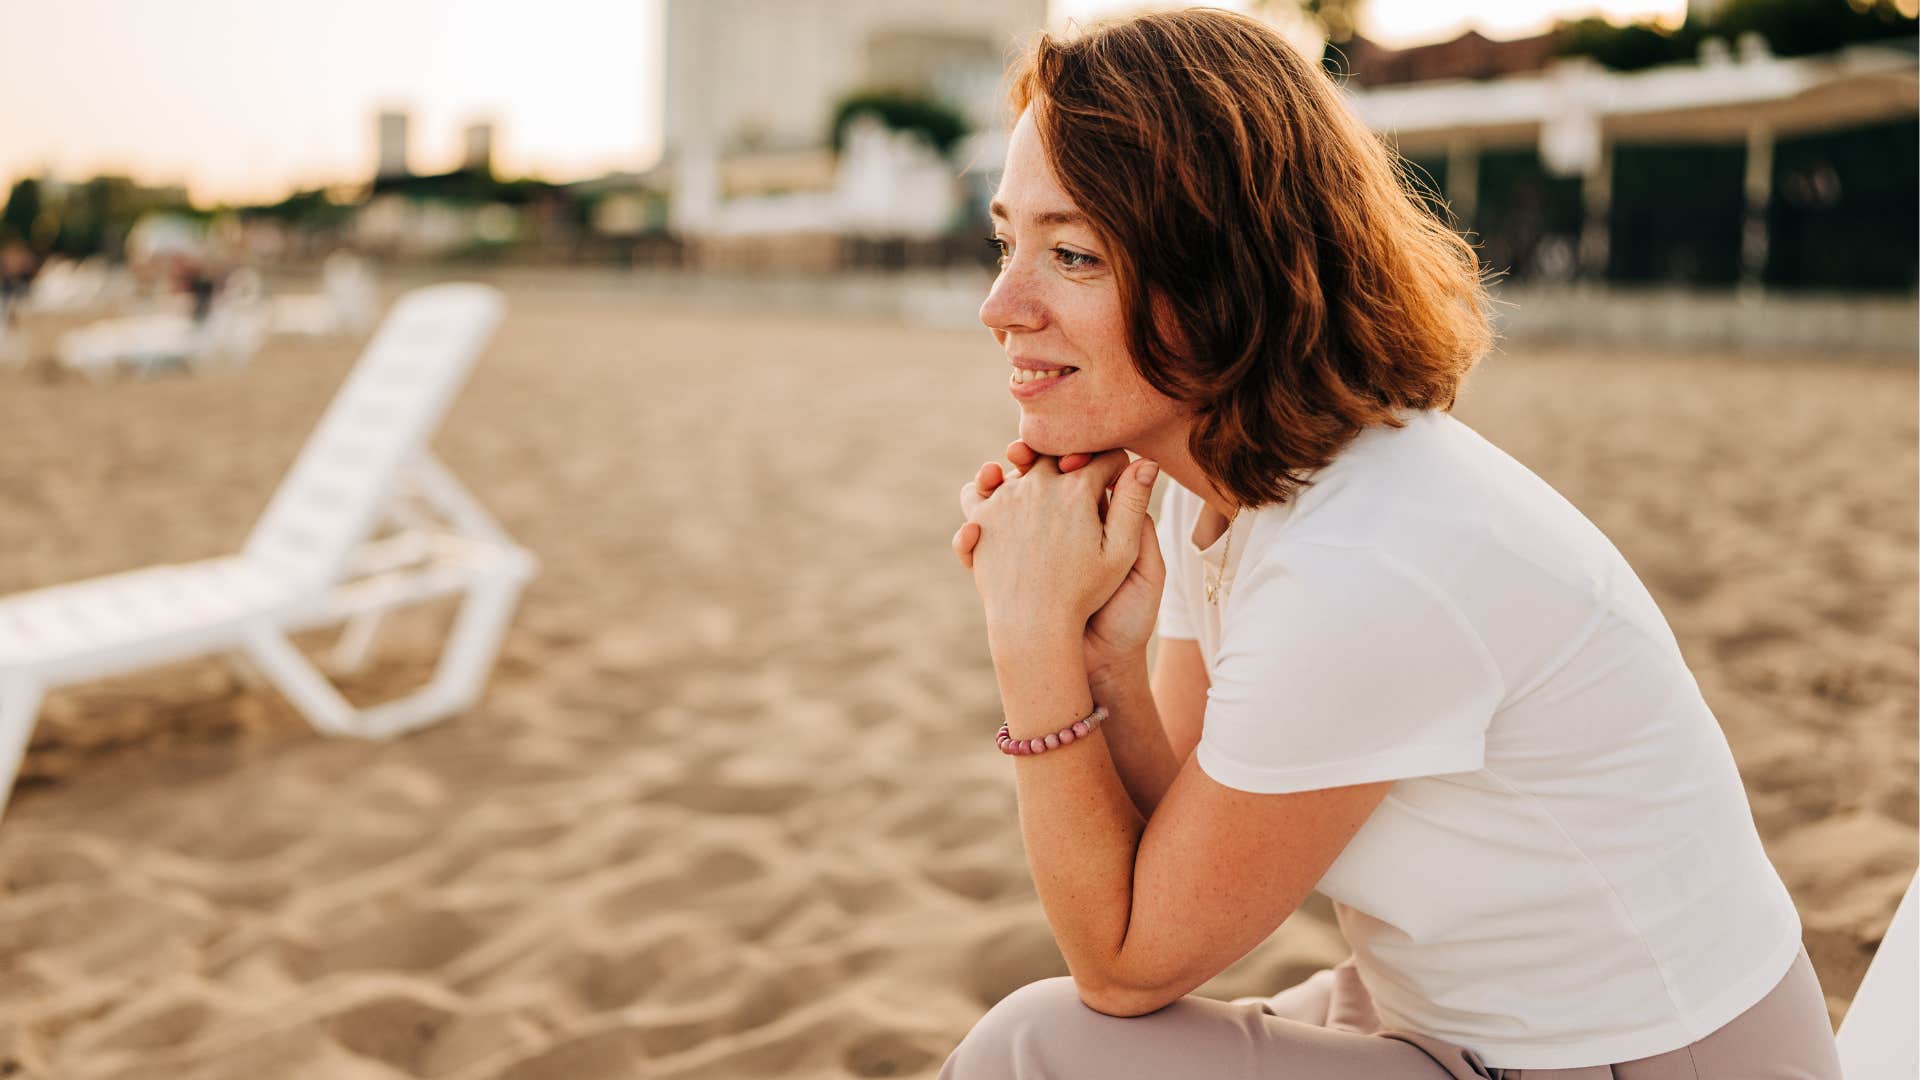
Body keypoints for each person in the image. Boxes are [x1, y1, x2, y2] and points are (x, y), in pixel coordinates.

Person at [942, 10, 1842, 1079]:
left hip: (1633, 1062)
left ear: (1225, 273)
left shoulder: (1368, 558)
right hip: (1449, 1016)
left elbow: (1131, 965)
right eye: (1010, 242)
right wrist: (1102, 663)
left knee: (1037, 1052)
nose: (1003, 306)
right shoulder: (1210, 481)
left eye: (1072, 253)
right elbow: (1182, 834)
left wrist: (1030, 636)